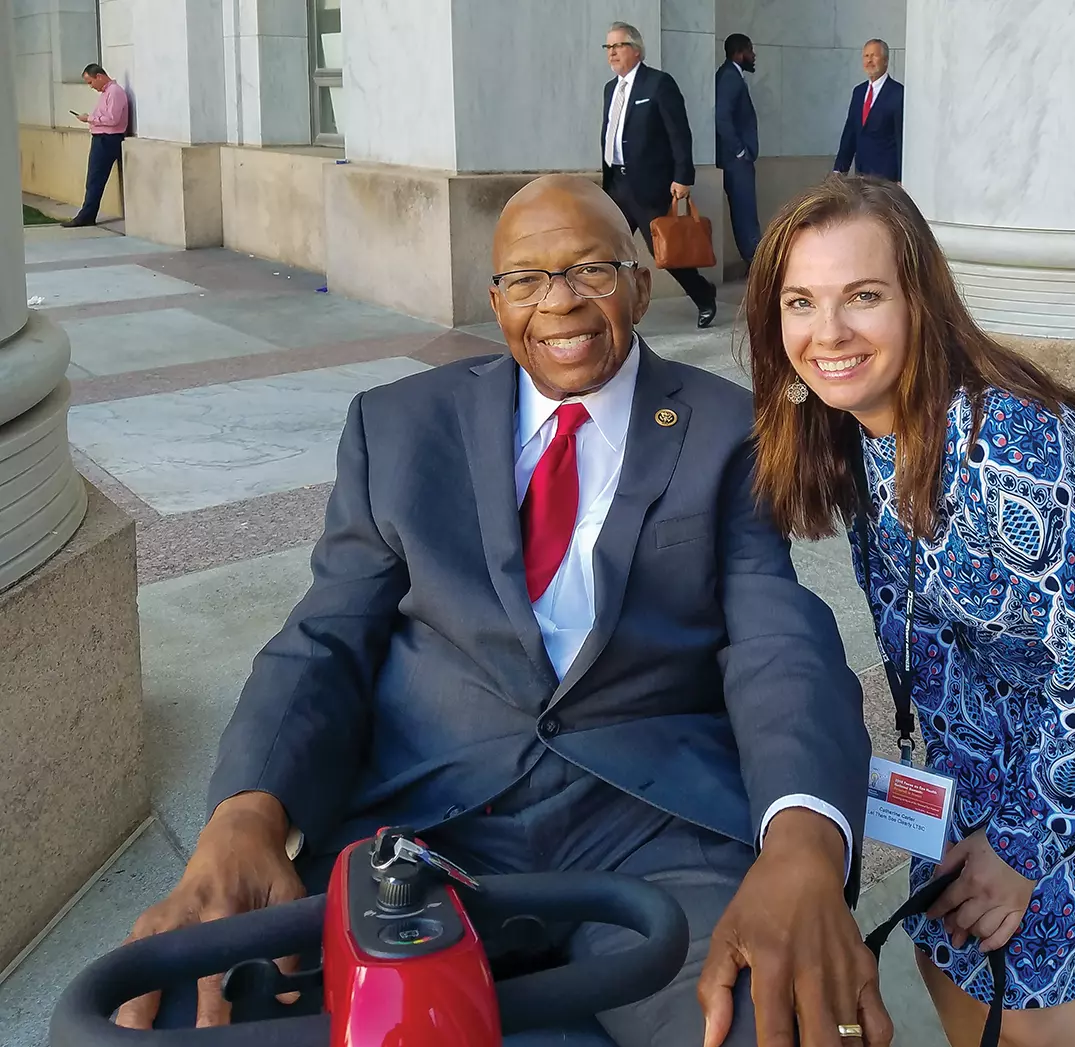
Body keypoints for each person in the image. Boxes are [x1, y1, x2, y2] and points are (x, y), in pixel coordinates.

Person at [114, 174, 892, 1047]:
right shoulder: (401, 429)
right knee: (204, 1009)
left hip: (654, 833)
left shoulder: (725, 428)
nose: (559, 302)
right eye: (527, 279)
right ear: (495, 299)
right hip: (428, 826)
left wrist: (803, 842)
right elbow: (326, 634)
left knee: (766, 1021)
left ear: (640, 281)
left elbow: (776, 638)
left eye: (592, 269)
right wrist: (246, 814)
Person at [744, 176, 1075, 1047]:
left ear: (920, 303)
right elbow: (928, 639)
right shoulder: (855, 434)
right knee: (949, 929)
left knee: (1025, 968)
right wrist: (968, 814)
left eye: (863, 296)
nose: (829, 333)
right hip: (1001, 697)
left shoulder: (1009, 452)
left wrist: (1023, 845)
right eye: (801, 302)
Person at [600, 21, 718, 329]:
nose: (611, 53)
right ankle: (611, 309)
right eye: (608, 47)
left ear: (636, 50)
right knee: (606, 249)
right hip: (617, 185)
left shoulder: (658, 84)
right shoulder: (611, 89)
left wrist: (683, 177)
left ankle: (703, 294)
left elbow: (679, 133)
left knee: (667, 253)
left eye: (617, 46)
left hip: (650, 187)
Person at [63, 63, 129, 228]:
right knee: (93, 178)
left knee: (95, 179)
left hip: (108, 139)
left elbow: (113, 119)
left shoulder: (114, 92)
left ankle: (86, 216)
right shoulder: (107, 92)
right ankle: (87, 214)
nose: (91, 86)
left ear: (99, 76)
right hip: (102, 138)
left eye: (90, 82)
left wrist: (90, 119)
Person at [715, 33, 761, 269]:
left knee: (746, 213)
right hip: (736, 161)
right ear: (739, 53)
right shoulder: (730, 77)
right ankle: (757, 265)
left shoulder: (732, 76)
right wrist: (740, 151)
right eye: (750, 51)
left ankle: (756, 262)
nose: (754, 56)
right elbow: (722, 118)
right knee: (745, 214)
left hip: (737, 159)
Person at [832, 42, 903, 182]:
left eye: (874, 55)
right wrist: (839, 170)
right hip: (861, 177)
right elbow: (850, 133)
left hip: (887, 180)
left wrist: (901, 179)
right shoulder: (858, 92)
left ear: (886, 60)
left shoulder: (898, 93)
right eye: (866, 56)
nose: (869, 60)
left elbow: (900, 139)